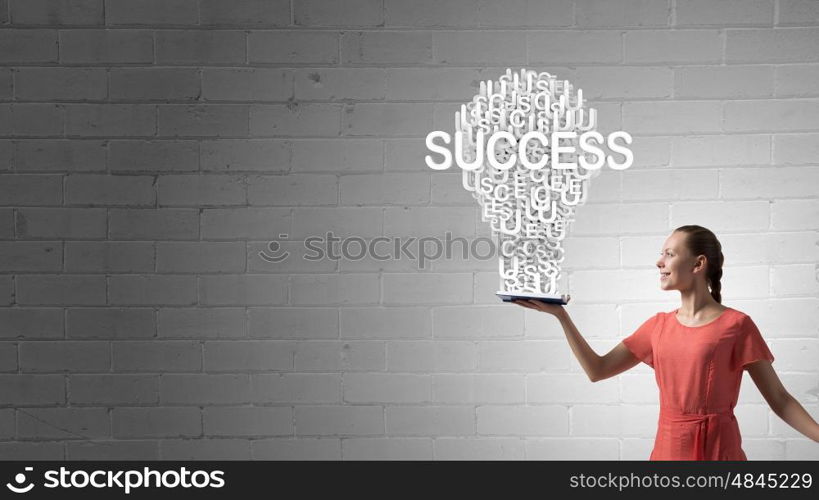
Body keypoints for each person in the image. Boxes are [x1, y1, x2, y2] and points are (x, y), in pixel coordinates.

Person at [513, 224, 819, 460]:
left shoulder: (737, 325)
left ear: (698, 264)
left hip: (720, 455)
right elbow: (598, 369)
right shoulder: (657, 326)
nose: (659, 262)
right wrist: (561, 317)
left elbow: (779, 399)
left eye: (669, 254)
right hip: (669, 454)